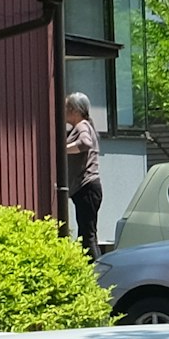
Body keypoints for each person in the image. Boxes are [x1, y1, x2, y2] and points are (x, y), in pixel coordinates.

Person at [60, 93, 105, 248]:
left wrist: (62, 149)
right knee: (86, 234)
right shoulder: (81, 126)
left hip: (87, 188)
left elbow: (85, 143)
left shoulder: (82, 126)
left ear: (75, 110)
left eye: (66, 107)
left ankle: (96, 270)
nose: (63, 111)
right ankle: (90, 269)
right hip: (87, 190)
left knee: (88, 235)